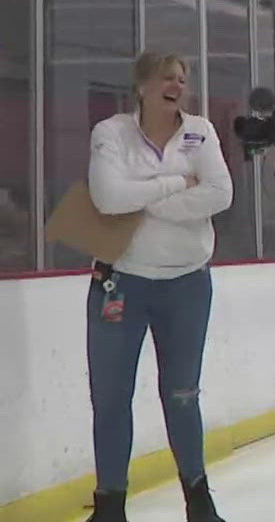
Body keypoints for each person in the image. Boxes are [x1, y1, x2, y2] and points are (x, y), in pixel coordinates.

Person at [85, 51, 233, 522]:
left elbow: (220, 194)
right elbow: (108, 198)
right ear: (143, 85)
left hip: (186, 284)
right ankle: (110, 505)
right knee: (110, 398)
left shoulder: (200, 131)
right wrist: (175, 184)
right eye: (167, 77)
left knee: (182, 394)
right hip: (121, 282)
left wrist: (144, 199)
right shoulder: (111, 133)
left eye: (183, 79)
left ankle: (199, 502)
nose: (177, 85)